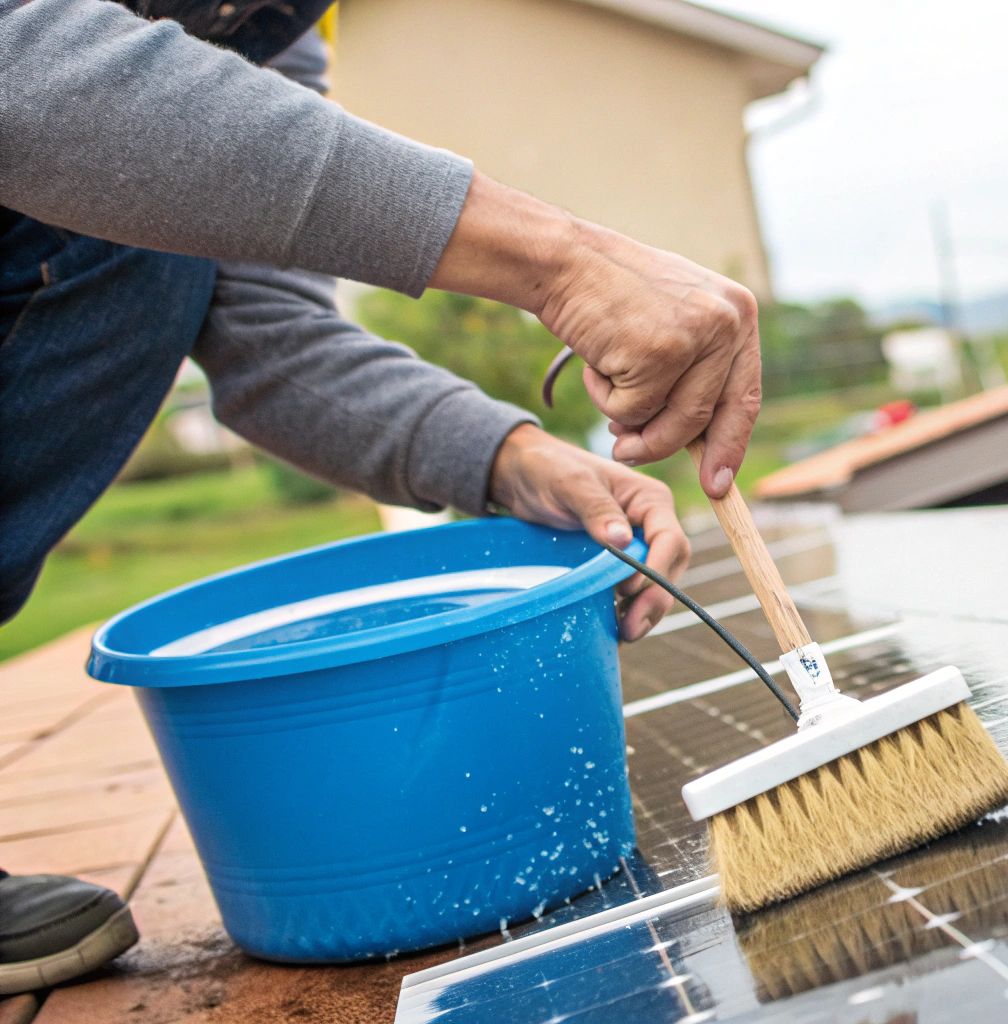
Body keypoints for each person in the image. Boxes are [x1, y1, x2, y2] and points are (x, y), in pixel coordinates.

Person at [0, 0, 764, 992]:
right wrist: (558, 260)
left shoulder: (267, 24)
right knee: (124, 200)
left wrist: (510, 457)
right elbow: (28, 77)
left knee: (157, 223)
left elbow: (266, 331)